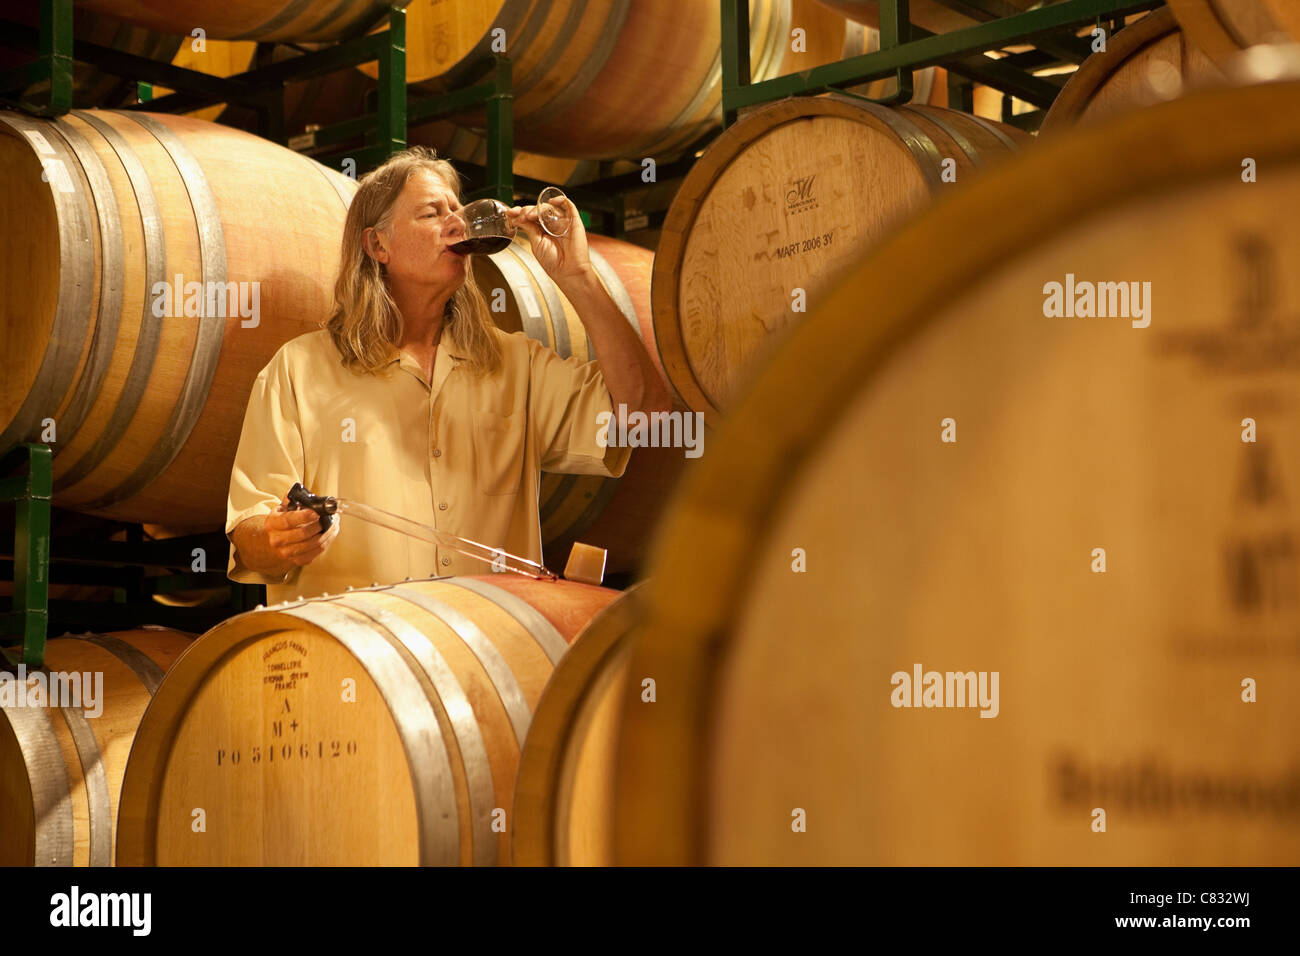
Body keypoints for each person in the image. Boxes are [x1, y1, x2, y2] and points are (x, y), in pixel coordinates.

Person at [225, 147, 671, 603]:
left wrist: (577, 274)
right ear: (378, 245)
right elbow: (248, 534)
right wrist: (280, 538)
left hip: (482, 658)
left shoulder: (515, 364)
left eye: (458, 210)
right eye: (432, 213)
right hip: (358, 659)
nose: (458, 223)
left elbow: (645, 412)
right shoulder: (298, 370)